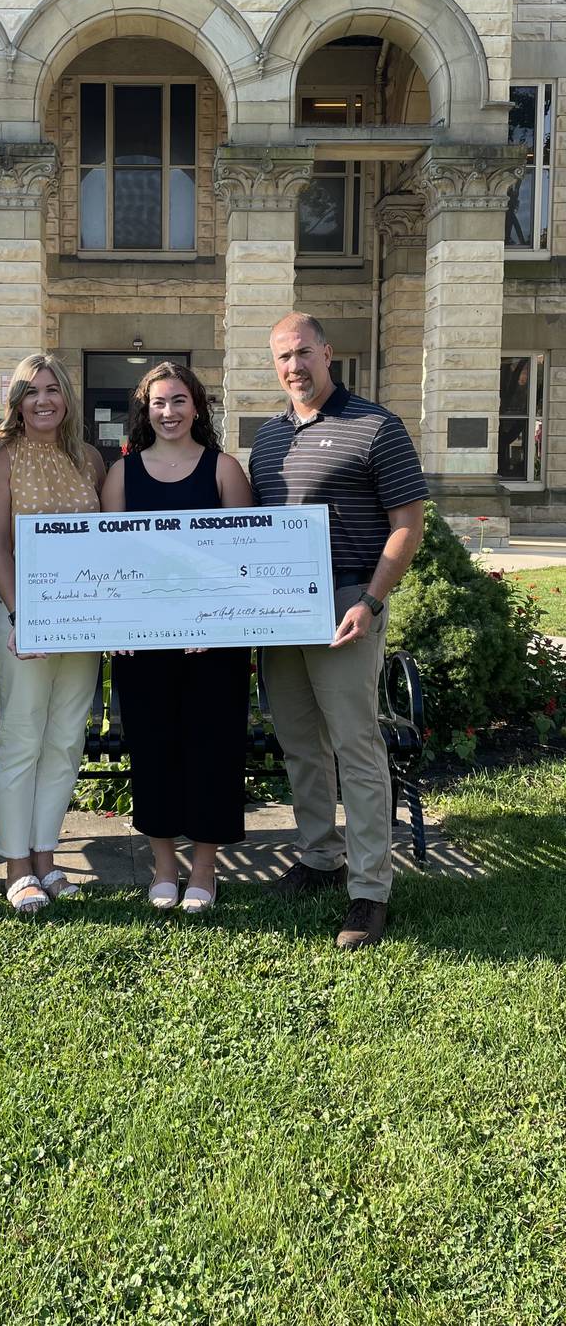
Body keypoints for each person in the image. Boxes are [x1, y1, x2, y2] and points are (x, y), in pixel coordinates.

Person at [248, 313, 427, 950]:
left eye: (303, 353)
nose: (293, 367)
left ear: (327, 353)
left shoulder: (377, 426)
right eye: (282, 358)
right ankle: (322, 856)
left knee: (355, 746)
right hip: (281, 608)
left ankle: (370, 889)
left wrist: (373, 601)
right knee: (299, 740)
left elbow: (408, 522)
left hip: (347, 601)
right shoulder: (268, 439)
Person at [101, 362, 253, 913]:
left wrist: (209, 620)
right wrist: (116, 624)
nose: (169, 412)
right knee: (154, 748)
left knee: (213, 748)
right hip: (143, 645)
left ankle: (205, 870)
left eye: (179, 401)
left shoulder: (224, 470)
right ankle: (165, 865)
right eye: (158, 402)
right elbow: (110, 559)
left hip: (214, 646)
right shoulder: (121, 475)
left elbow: (243, 558)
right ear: (144, 410)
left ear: (198, 407)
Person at [0, 354, 106, 915]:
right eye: (32, 392)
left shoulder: (91, 460)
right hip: (22, 618)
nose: (44, 400)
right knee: (22, 737)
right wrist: (22, 615)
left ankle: (47, 858)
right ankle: (16, 866)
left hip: (82, 621)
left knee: (65, 740)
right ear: (17, 401)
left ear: (67, 398)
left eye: (53, 390)